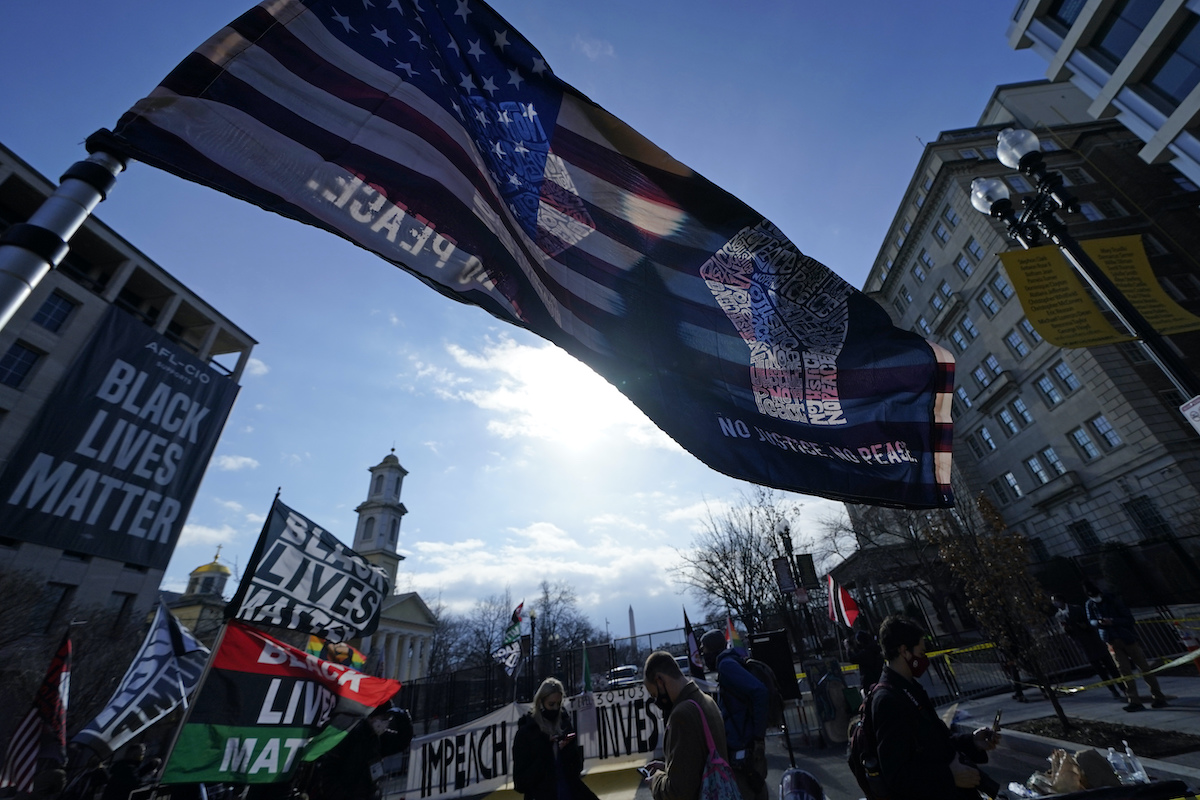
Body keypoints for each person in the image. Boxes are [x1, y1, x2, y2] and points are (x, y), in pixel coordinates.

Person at [871, 615, 999, 800]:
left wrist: (972, 741)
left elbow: (937, 742)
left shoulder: (910, 688)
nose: (924, 659)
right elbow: (897, 775)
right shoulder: (888, 700)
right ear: (904, 651)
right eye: (921, 653)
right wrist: (949, 777)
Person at [642, 650, 727, 800]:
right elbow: (698, 762)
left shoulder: (681, 715)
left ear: (659, 680)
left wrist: (656, 781)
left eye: (654, 695)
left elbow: (677, 792)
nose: (657, 701)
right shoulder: (705, 700)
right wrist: (669, 767)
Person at [699, 629, 767, 800]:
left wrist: (758, 736)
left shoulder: (726, 665)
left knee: (749, 791)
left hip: (743, 743)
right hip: (743, 741)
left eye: (704, 650)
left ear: (713, 649)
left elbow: (759, 692)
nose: (703, 655)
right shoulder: (729, 662)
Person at [1083, 581, 1167, 711]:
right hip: (1111, 640)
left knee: (1144, 668)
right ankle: (1134, 700)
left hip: (1127, 638)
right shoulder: (1090, 604)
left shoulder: (1113, 600)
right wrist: (1099, 623)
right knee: (1124, 671)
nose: (1095, 598)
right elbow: (1091, 621)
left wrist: (1113, 621)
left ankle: (1158, 696)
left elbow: (1129, 619)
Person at [512, 677, 599, 800]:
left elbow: (576, 769)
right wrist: (547, 753)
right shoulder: (526, 733)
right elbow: (520, 783)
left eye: (558, 704)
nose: (555, 709)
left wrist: (568, 749)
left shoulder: (564, 725)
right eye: (551, 704)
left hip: (569, 791)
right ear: (540, 702)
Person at [309, 704, 408, 800]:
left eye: (388, 718)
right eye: (383, 718)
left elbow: (401, 741)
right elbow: (327, 773)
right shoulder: (349, 735)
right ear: (371, 717)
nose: (386, 723)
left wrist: (402, 717)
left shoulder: (376, 737)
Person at [1051, 593, 1123, 700]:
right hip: (1083, 645)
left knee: (1110, 666)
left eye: (1056, 600)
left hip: (1093, 640)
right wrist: (1067, 630)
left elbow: (1089, 621)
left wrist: (1086, 626)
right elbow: (1065, 630)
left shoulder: (1076, 609)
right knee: (1100, 670)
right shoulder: (1059, 616)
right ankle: (1113, 690)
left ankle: (1122, 687)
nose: (1055, 603)